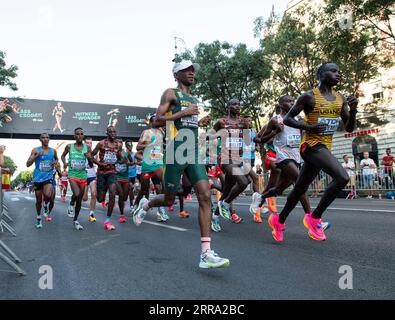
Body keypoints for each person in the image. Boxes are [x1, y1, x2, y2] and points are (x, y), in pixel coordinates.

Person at [133, 60, 229, 269]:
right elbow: (157, 120)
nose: (192, 72)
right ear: (177, 74)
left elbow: (186, 125)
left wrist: (198, 122)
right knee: (169, 199)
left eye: (193, 69)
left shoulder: (193, 98)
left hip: (193, 150)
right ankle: (147, 204)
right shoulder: (170, 94)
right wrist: (183, 113)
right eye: (187, 70)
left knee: (205, 195)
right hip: (176, 151)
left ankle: (206, 254)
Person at [268, 63, 358, 242]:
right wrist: (309, 126)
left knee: (299, 189)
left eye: (339, 71)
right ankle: (314, 218)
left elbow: (349, 128)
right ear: (321, 75)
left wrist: (354, 110)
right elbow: (288, 119)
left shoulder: (340, 99)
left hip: (324, 148)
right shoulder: (308, 97)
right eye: (333, 71)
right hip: (309, 146)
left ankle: (278, 220)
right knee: (342, 177)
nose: (337, 74)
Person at [133, 115, 168, 222]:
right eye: (155, 121)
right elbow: (138, 147)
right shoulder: (147, 132)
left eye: (158, 120)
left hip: (157, 162)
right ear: (151, 123)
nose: (158, 122)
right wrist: (149, 144)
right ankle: (135, 206)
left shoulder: (161, 133)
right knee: (144, 190)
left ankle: (161, 209)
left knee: (164, 183)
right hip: (147, 164)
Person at [90, 126, 122, 230]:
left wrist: (122, 159)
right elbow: (91, 155)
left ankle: (107, 221)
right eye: (110, 132)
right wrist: (99, 163)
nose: (113, 133)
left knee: (113, 193)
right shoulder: (101, 143)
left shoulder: (118, 145)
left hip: (112, 172)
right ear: (107, 133)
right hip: (101, 173)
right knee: (100, 199)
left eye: (114, 131)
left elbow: (120, 158)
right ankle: (102, 196)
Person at [26, 133, 60, 228]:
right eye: (43, 137)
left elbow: (57, 160)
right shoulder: (36, 150)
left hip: (48, 177)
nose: (45, 139)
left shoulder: (53, 151)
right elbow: (28, 164)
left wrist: (55, 163)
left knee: (48, 195)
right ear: (40, 139)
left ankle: (45, 205)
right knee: (37, 200)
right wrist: (36, 156)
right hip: (38, 178)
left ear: (49, 139)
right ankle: (38, 218)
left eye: (47, 137)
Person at [61, 128, 91, 230]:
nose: (79, 136)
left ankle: (75, 220)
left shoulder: (87, 147)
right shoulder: (69, 146)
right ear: (74, 136)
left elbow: (90, 164)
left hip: (83, 175)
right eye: (77, 134)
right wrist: (64, 162)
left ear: (83, 136)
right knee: (77, 194)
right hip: (72, 174)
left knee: (80, 200)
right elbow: (62, 156)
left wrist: (89, 158)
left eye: (81, 134)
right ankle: (71, 202)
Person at [115, 139, 134, 223]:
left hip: (125, 177)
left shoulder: (127, 153)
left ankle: (122, 206)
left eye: (120, 143)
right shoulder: (113, 153)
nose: (118, 144)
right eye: (117, 142)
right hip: (117, 177)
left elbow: (132, 162)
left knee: (125, 197)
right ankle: (122, 215)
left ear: (122, 144)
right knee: (121, 195)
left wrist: (128, 163)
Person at [83, 137, 97, 222]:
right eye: (87, 143)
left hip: (92, 176)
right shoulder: (81, 153)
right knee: (84, 198)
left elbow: (94, 164)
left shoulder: (94, 153)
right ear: (84, 143)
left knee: (94, 193)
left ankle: (91, 214)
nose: (89, 144)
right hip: (83, 176)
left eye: (90, 143)